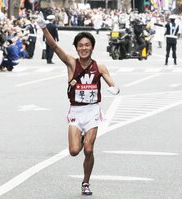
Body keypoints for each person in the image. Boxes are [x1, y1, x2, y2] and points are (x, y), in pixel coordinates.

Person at [37, 13, 120, 195]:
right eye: (80, 45)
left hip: (92, 111)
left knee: (89, 150)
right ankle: (81, 139)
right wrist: (44, 27)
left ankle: (85, 182)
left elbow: (111, 83)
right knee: (75, 151)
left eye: (87, 45)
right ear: (76, 48)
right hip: (75, 111)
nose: (84, 48)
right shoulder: (71, 64)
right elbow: (53, 45)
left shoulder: (100, 67)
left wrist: (114, 89)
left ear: (92, 47)